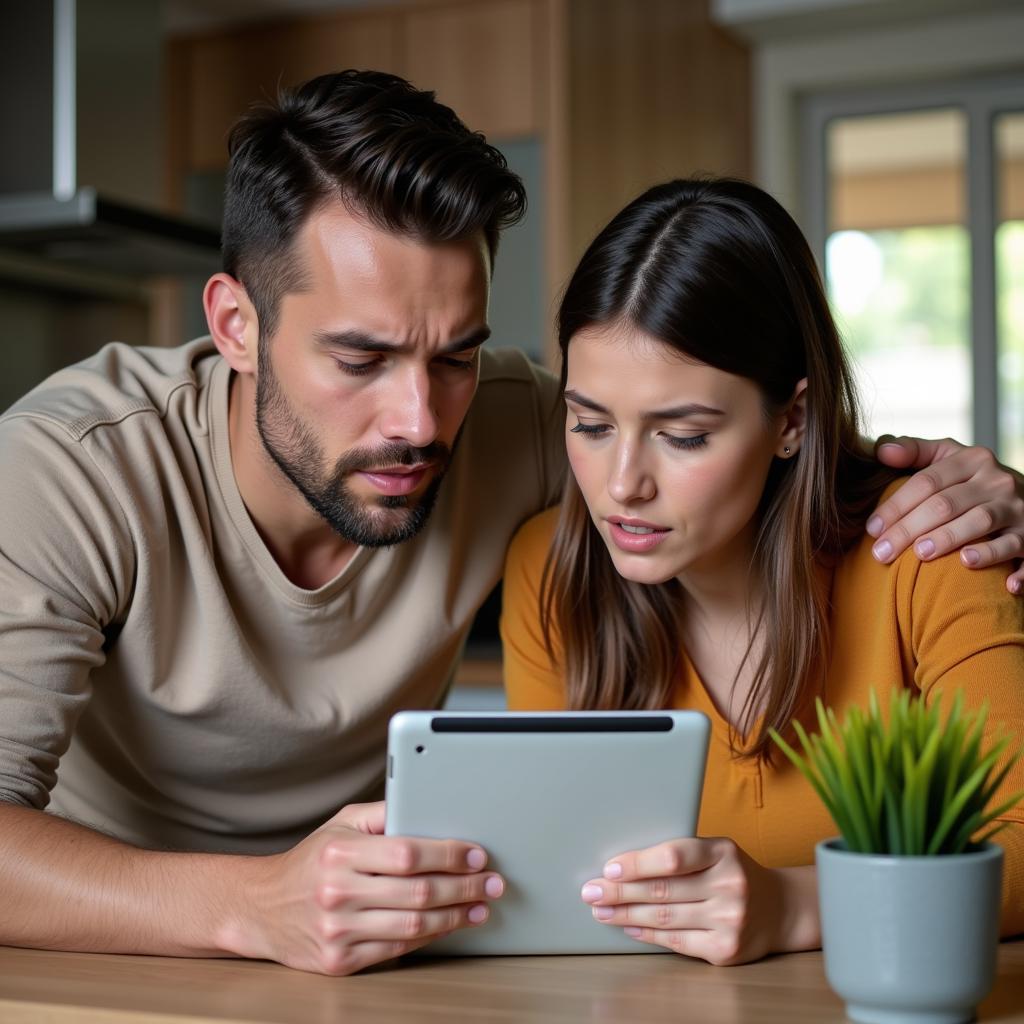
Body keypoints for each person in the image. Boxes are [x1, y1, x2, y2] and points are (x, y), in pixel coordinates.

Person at [0, 72, 1019, 978]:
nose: (419, 421)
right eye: (360, 359)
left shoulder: (528, 425)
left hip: (387, 947)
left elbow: (739, 433)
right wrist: (251, 903)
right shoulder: (68, 473)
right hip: (114, 941)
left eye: (454, 357)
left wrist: (983, 483)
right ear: (235, 326)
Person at [501, 177, 1024, 967]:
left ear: (792, 421)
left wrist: (796, 905)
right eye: (591, 424)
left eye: (683, 436)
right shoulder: (548, 571)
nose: (621, 485)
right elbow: (548, 870)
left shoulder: (929, 554)